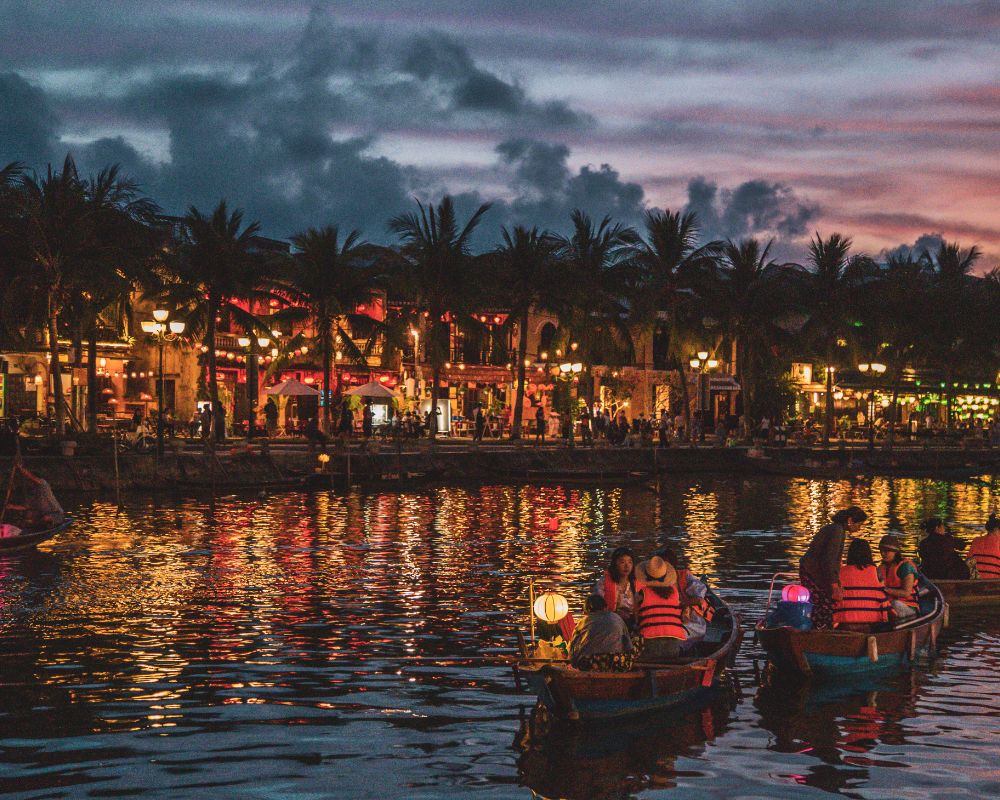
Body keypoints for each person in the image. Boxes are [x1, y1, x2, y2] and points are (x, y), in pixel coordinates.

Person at [799, 506, 868, 629]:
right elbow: (829, 560)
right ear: (850, 520)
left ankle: (816, 629)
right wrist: (834, 585)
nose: (859, 528)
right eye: (859, 524)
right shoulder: (837, 531)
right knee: (824, 603)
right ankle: (819, 631)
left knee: (820, 602)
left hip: (812, 570)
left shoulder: (835, 529)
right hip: (812, 571)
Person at [635, 556, 687, 661]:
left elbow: (636, 619)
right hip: (673, 647)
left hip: (650, 646)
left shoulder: (642, 593)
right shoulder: (675, 592)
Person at [833, 538, 890, 629]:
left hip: (844, 621)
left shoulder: (841, 572)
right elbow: (881, 597)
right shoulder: (873, 571)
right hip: (871, 620)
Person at [568, 595, 634, 672]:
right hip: (618, 664)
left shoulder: (583, 621)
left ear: (587, 610)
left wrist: (574, 663)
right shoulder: (617, 618)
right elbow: (628, 645)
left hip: (590, 664)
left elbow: (573, 648)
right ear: (605, 607)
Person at [6, 463, 65, 529]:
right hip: (44, 515)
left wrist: (21, 469)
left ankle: (37, 526)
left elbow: (31, 476)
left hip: (56, 515)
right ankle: (33, 527)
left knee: (45, 519)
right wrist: (12, 506)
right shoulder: (33, 495)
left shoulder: (44, 486)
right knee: (29, 516)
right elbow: (26, 507)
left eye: (30, 481)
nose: (29, 483)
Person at [878, 535, 920, 619]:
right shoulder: (880, 568)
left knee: (895, 604)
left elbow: (906, 593)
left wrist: (885, 589)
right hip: (888, 604)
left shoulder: (905, 567)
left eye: (886, 551)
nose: (883, 554)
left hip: (907, 606)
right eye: (881, 551)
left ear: (895, 552)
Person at [593, 546, 635, 623]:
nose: (627, 566)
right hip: (609, 622)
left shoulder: (636, 584)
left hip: (632, 624)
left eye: (630, 562)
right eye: (622, 562)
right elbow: (597, 609)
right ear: (615, 564)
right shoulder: (603, 583)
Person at [967, 515, 1000, 579]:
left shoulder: (976, 541)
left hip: (976, 582)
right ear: (996, 530)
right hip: (994, 582)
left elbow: (968, 563)